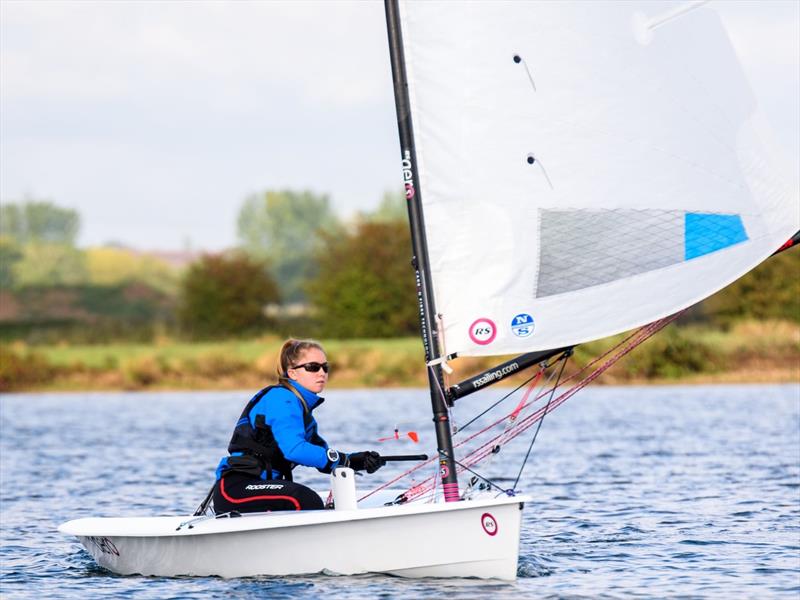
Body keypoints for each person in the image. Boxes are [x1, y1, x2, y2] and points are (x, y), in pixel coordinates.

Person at [210, 338, 384, 514]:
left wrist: (356, 461)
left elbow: (323, 457)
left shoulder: (303, 413)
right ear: (292, 373)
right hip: (236, 489)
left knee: (305, 498)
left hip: (260, 486)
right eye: (313, 367)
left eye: (325, 367)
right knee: (304, 498)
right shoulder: (282, 399)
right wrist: (341, 460)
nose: (321, 373)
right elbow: (295, 450)